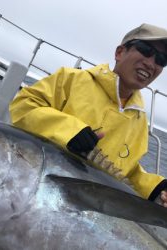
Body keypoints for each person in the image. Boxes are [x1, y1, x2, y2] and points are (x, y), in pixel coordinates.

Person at [9, 23, 167, 207]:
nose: (151, 63)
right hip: (33, 189)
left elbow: (127, 171)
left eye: (162, 60)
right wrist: (68, 131)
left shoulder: (140, 121)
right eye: (145, 50)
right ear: (120, 52)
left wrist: (154, 188)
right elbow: (24, 105)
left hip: (88, 209)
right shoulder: (71, 79)